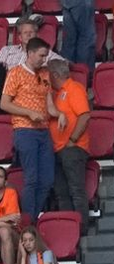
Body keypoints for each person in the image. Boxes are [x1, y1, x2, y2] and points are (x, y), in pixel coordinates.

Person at [1, 38, 57, 220]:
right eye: (41, 55)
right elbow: (4, 104)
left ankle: (32, 218)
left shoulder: (45, 74)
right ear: (30, 53)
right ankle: (28, 222)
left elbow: (49, 104)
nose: (44, 59)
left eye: (45, 56)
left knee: (47, 179)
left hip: (43, 130)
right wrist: (28, 113)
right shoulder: (15, 73)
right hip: (25, 130)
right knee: (31, 179)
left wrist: (61, 114)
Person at [48, 57, 90, 221]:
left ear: (55, 75)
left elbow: (85, 116)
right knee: (61, 193)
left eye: (49, 75)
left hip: (72, 148)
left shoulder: (74, 88)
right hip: (58, 150)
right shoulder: (55, 94)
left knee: (76, 191)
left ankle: (82, 229)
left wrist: (72, 139)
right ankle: (69, 229)